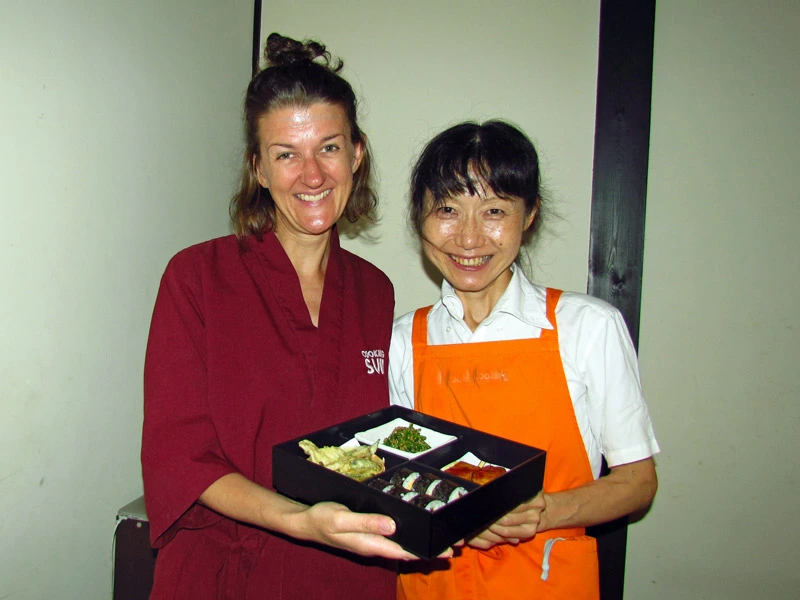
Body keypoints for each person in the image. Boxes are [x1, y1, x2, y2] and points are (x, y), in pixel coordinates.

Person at [141, 33, 419, 600]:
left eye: (329, 148)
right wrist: (299, 520)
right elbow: (179, 456)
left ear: (357, 154)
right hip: (227, 575)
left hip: (348, 574)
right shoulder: (196, 278)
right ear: (259, 170)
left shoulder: (375, 291)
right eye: (287, 154)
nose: (312, 175)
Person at [388, 120, 660, 599]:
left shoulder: (587, 326)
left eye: (494, 211)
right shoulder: (404, 339)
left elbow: (637, 483)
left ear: (529, 214)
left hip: (546, 579)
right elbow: (400, 477)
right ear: (420, 218)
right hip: (435, 584)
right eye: (447, 209)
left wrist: (544, 511)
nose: (468, 238)